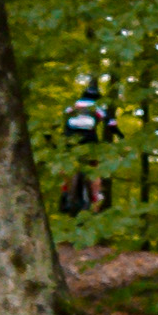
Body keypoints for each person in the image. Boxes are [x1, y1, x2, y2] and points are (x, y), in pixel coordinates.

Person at [56, 81, 116, 215]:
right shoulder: (98, 107)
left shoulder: (72, 106)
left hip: (70, 140)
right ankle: (95, 199)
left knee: (65, 166)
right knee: (94, 169)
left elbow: (63, 117)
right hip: (89, 141)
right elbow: (111, 122)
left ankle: (65, 192)